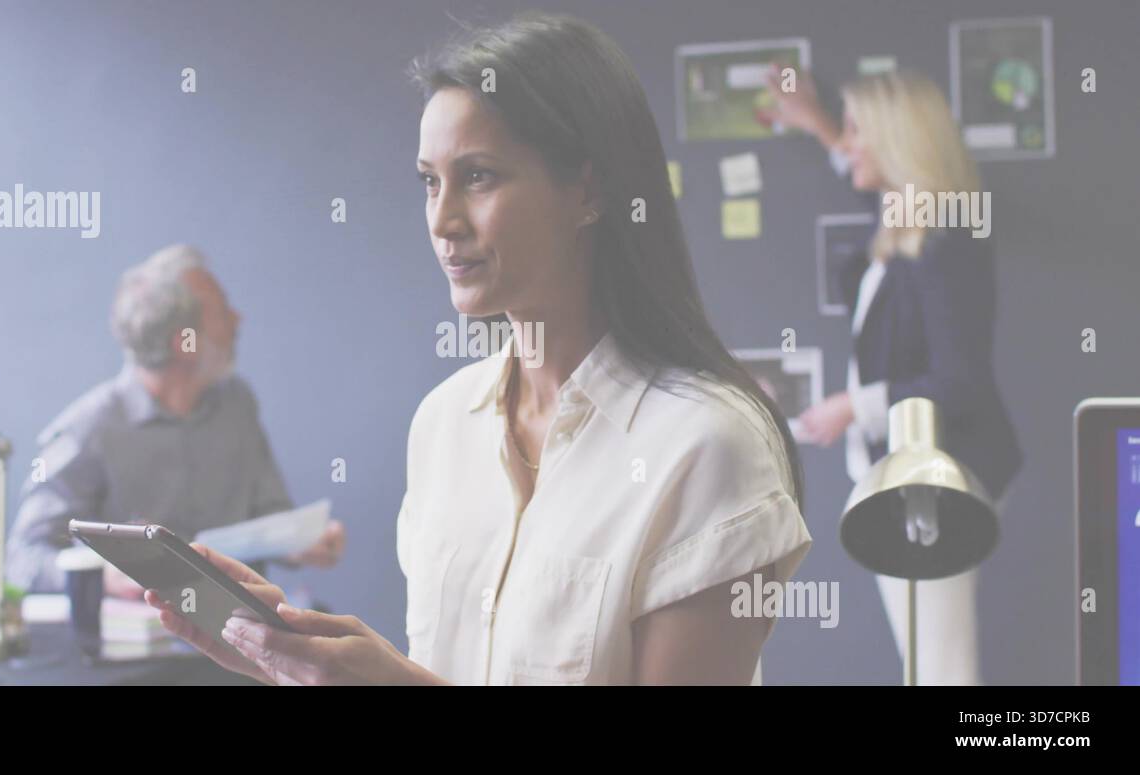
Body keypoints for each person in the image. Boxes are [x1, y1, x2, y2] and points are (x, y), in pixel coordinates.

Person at [149, 12, 812, 685]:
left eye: (479, 177)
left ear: (586, 190)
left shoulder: (706, 444)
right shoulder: (441, 425)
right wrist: (291, 664)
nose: (442, 220)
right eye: (430, 182)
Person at [763, 68, 1022, 684]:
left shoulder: (944, 245)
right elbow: (871, 185)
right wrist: (823, 126)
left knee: (940, 667)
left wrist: (855, 405)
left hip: (940, 481)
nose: (849, 145)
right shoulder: (911, 226)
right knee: (926, 658)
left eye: (857, 131)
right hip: (912, 475)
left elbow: (959, 383)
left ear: (896, 138)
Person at [6, 244, 345, 598]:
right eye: (222, 310)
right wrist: (105, 578)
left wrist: (302, 540)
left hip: (239, 633)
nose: (237, 319)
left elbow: (272, 513)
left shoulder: (238, 405)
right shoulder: (89, 428)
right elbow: (23, 559)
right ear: (184, 343)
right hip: (140, 643)